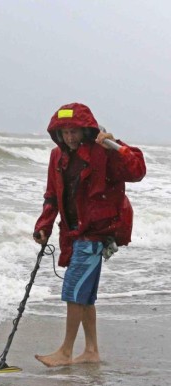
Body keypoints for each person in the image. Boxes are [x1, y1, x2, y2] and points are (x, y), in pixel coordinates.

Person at [33, 103, 146, 367]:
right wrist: (43, 226)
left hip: (97, 231)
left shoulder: (103, 151)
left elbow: (137, 171)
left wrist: (116, 145)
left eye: (74, 131)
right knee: (84, 294)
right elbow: (51, 196)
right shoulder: (56, 157)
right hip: (73, 233)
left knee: (74, 289)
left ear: (86, 130)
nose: (70, 137)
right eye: (64, 132)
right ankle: (92, 350)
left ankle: (65, 351)